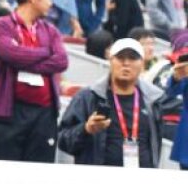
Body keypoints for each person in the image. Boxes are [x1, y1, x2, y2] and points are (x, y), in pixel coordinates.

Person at [0, 0, 68, 162]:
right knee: (6, 172)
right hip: (11, 111)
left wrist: (24, 57)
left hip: (45, 113)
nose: (51, 2)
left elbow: (61, 61)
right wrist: (46, 52)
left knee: (40, 174)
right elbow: (10, 54)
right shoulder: (2, 25)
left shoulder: (50, 30)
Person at [58, 38, 165, 167]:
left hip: (142, 181)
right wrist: (86, 129)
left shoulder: (153, 100)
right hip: (99, 181)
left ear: (142, 63)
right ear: (110, 60)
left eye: (132, 58)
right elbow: (63, 140)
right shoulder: (88, 97)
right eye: (120, 58)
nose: (126, 63)